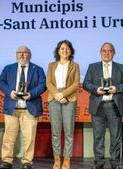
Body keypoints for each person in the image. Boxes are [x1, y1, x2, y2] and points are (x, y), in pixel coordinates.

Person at [83, 42, 123, 169]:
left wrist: (116, 88)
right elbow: (86, 84)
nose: (107, 53)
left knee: (116, 135)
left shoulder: (121, 67)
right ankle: (99, 161)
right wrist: (95, 89)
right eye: (104, 50)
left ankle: (115, 162)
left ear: (114, 53)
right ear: (100, 52)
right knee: (98, 135)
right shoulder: (92, 67)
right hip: (98, 105)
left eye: (110, 51)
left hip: (114, 105)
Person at [0, 46, 46, 169]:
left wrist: (31, 94)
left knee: (29, 138)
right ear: (16, 55)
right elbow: (0, 82)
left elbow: (42, 85)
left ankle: (27, 162)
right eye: (19, 53)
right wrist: (10, 92)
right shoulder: (8, 68)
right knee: (9, 136)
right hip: (12, 108)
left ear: (30, 55)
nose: (22, 55)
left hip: (30, 108)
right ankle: (7, 161)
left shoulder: (38, 69)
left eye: (25, 53)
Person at [46, 40, 80, 169]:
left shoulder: (75, 65)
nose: (65, 51)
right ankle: (57, 159)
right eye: (62, 49)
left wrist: (64, 94)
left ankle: (66, 159)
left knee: (68, 131)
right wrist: (57, 95)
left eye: (67, 49)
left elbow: (76, 83)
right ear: (58, 51)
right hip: (54, 98)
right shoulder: (51, 65)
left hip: (69, 98)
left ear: (71, 51)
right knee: (55, 131)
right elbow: (48, 83)